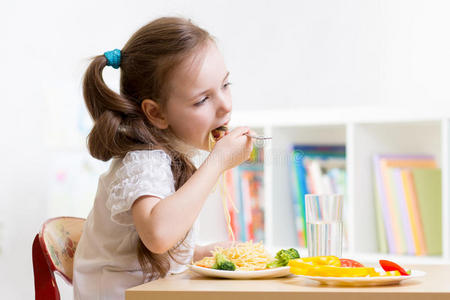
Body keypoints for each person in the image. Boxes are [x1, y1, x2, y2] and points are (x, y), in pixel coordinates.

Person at [73, 17, 253, 299]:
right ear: (156, 113)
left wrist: (196, 252)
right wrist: (217, 162)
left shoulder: (168, 155)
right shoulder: (143, 160)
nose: (225, 105)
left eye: (225, 84)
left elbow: (134, 251)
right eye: (202, 100)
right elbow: (157, 235)